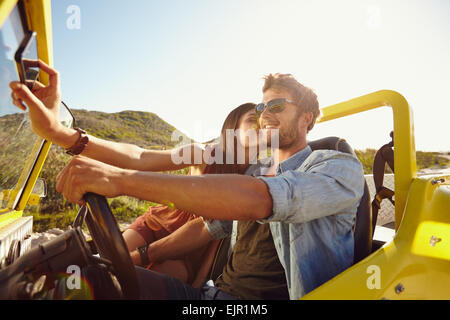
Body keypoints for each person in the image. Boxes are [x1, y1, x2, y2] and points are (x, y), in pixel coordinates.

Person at [10, 66, 365, 299]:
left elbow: (264, 200)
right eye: (261, 109)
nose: (265, 116)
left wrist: (121, 181)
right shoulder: (244, 164)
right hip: (213, 294)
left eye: (278, 106)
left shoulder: (336, 167)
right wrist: (60, 132)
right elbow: (144, 158)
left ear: (307, 118)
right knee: (77, 277)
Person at [122, 102, 258, 285]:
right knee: (111, 264)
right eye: (252, 119)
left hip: (191, 251)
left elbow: (219, 235)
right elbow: (143, 158)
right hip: (157, 226)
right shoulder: (204, 154)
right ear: (233, 127)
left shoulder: (255, 179)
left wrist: (199, 282)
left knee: (150, 284)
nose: (259, 126)